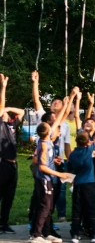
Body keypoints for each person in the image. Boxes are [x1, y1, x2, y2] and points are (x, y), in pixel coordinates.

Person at [30, 97, 71, 243]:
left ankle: (46, 233)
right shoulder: (45, 144)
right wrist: (60, 173)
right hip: (44, 180)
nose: (56, 127)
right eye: (52, 127)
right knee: (44, 207)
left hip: (48, 180)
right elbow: (41, 166)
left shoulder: (47, 141)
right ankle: (36, 235)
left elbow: (59, 119)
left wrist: (66, 104)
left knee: (48, 207)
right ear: (47, 130)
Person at [68, 112, 95, 243]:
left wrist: (71, 183)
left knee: (77, 209)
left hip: (77, 183)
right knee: (92, 209)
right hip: (90, 183)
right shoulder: (89, 149)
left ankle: (74, 234)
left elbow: (69, 170)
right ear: (87, 142)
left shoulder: (72, 154)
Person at [0, 74, 23, 234]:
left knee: (9, 196)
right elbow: (1, 107)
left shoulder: (12, 124)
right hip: (2, 164)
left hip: (14, 165)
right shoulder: (0, 124)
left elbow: (21, 112)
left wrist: (8, 108)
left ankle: (4, 223)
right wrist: (3, 87)